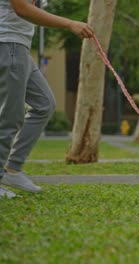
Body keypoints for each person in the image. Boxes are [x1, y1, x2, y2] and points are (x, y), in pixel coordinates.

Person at [0, 0, 94, 198]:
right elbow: (23, 9)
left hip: (20, 46)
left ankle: (13, 169)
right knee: (11, 116)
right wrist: (70, 23)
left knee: (44, 104)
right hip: (8, 43)